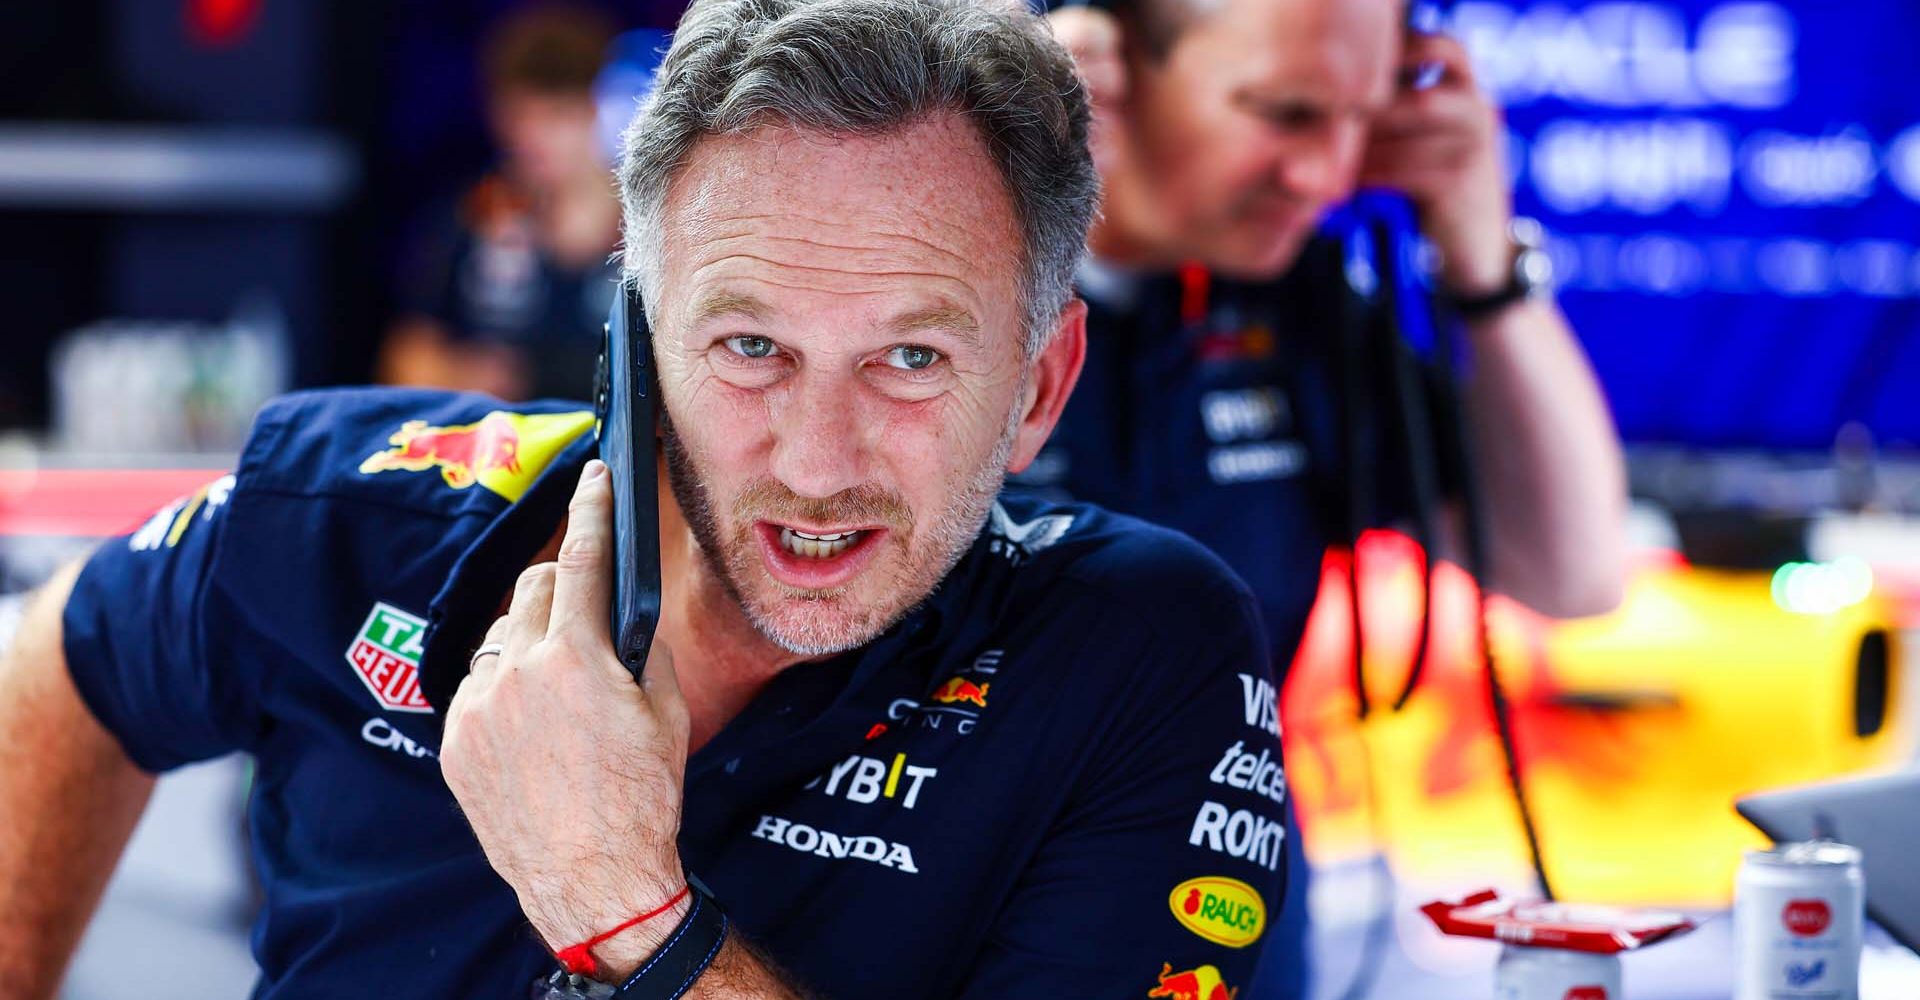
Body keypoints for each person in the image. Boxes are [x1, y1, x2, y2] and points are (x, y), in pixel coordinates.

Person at [0, 1, 1295, 998]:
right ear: (632, 343)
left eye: (911, 357)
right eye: (749, 348)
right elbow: (68, 663)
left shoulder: (1138, 653)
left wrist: (636, 913)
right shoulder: (364, 512)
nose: (816, 459)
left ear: (1040, 385)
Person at [1031, 0, 1630, 995]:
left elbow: (1572, 572)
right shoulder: (920, 278)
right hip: (946, 897)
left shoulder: (1294, 301)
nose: (1324, 174)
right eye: (1284, 112)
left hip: (1228, 902)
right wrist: (981, 156)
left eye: (1361, 116)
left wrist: (1483, 267)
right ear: (1107, 63)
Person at [378, 4, 623, 402]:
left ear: (593, 110)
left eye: (556, 117)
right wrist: (463, 374)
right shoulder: (475, 215)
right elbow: (404, 358)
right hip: (499, 450)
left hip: (610, 451)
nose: (533, 139)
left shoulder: (644, 225)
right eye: (519, 117)